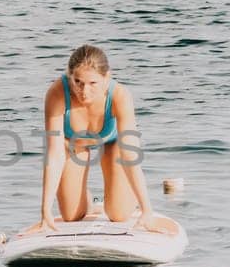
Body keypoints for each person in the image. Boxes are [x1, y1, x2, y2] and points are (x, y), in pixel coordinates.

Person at [22, 44, 181, 237]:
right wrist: (45, 211)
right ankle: (89, 202)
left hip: (112, 144)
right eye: (78, 82)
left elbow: (130, 154)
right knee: (72, 215)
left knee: (119, 214)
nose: (84, 91)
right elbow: (54, 154)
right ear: (69, 77)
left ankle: (130, 202)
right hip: (73, 145)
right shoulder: (57, 94)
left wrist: (148, 211)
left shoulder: (119, 96)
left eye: (92, 83)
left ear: (106, 78)